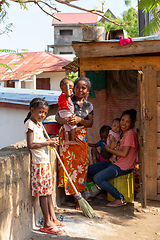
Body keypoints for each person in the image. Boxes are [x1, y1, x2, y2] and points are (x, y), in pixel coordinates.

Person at [24, 98, 64, 235]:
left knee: (48, 192)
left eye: (45, 113)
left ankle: (53, 218)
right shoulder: (30, 125)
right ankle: (47, 223)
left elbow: (41, 141)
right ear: (32, 110)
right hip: (38, 164)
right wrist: (48, 143)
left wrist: (50, 141)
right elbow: (31, 145)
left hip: (44, 161)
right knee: (43, 193)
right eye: (40, 112)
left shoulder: (40, 125)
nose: (42, 115)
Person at [56, 77, 93, 210]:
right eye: (78, 87)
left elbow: (90, 123)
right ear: (73, 88)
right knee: (68, 168)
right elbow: (57, 117)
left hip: (81, 139)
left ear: (87, 90)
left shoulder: (89, 106)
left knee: (81, 168)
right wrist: (65, 120)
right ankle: (75, 198)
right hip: (67, 138)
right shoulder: (67, 99)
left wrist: (79, 119)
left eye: (83, 88)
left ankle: (79, 196)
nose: (80, 90)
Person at [88, 109, 138, 207]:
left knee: (98, 178)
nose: (123, 123)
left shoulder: (130, 134)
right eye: (122, 120)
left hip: (124, 166)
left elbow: (124, 154)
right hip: (116, 162)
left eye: (127, 122)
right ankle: (103, 191)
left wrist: (109, 149)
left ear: (132, 123)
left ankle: (120, 198)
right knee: (89, 170)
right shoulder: (122, 133)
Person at [58, 78, 77, 144]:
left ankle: (66, 140)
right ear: (63, 88)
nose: (71, 90)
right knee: (73, 126)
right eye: (70, 88)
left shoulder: (66, 97)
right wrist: (67, 86)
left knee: (67, 127)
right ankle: (72, 139)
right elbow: (68, 94)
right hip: (66, 112)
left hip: (64, 113)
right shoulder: (63, 95)